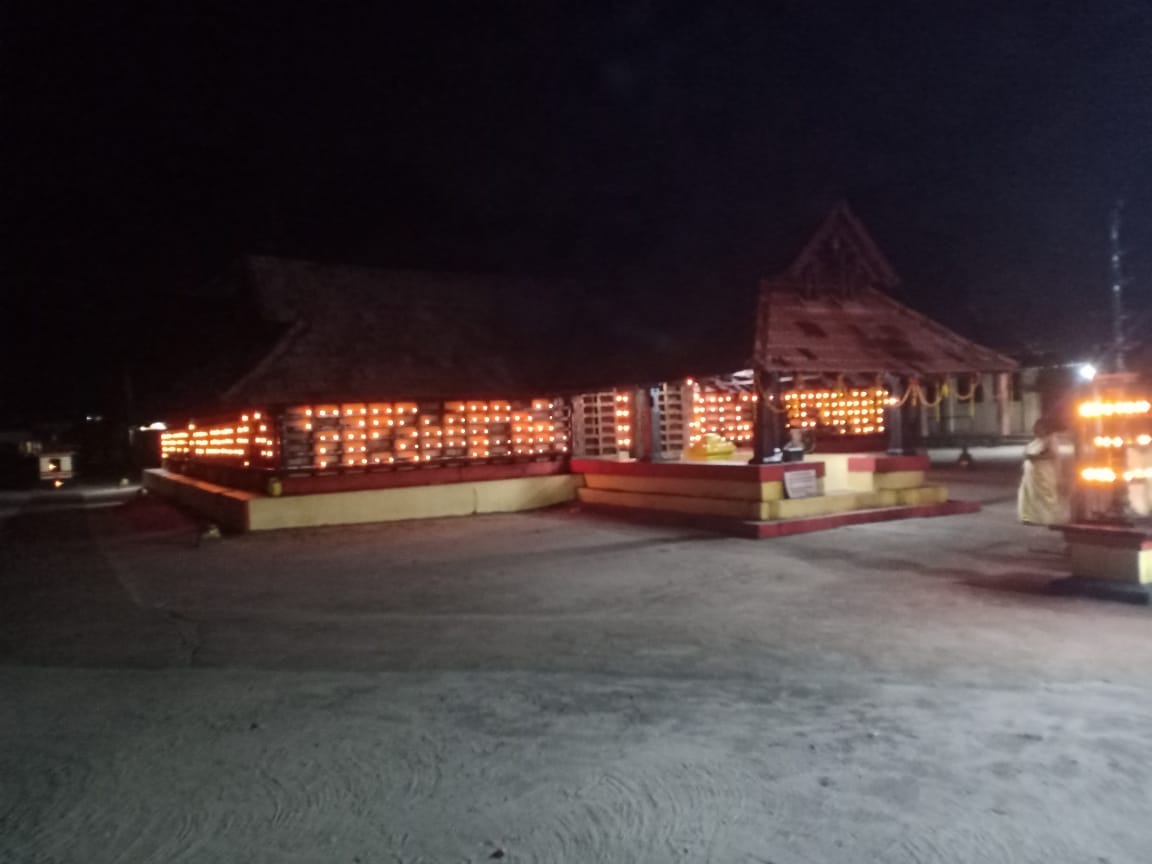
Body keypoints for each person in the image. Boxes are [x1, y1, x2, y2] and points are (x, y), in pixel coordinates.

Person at [1018, 419, 1070, 526]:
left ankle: (1047, 517)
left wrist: (1036, 457)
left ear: (1045, 429)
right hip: (1032, 474)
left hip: (1044, 473)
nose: (1036, 430)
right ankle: (1031, 516)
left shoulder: (1051, 439)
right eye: (1035, 428)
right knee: (1031, 495)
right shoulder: (1036, 441)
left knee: (1045, 495)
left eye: (1039, 428)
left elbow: (1052, 455)